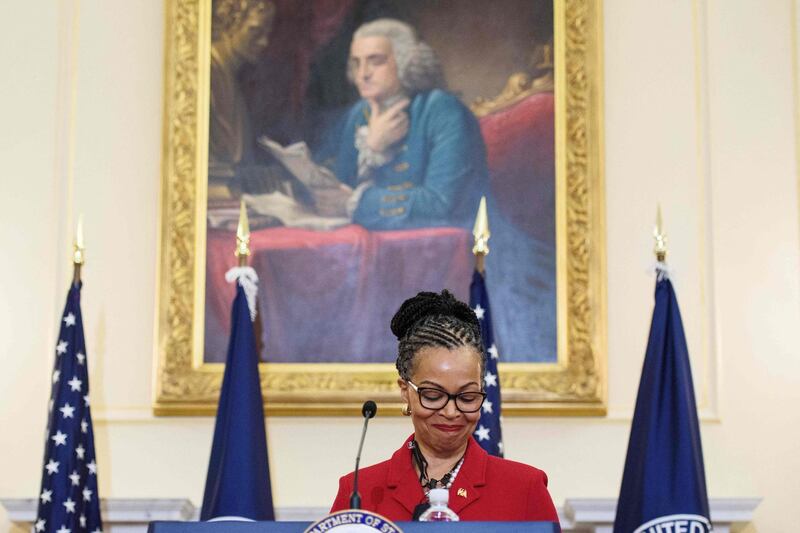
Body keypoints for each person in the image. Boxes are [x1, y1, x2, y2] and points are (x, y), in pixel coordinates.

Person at [330, 290, 559, 522]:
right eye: (433, 395)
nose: (451, 412)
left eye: (467, 397)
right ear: (405, 391)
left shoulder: (524, 488)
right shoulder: (359, 491)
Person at [311, 19, 488, 230]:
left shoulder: (441, 109)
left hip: (463, 244)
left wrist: (355, 203)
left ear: (405, 61)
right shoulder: (358, 114)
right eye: (357, 63)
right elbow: (340, 186)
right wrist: (372, 148)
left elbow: (441, 203)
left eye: (376, 61)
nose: (363, 74)